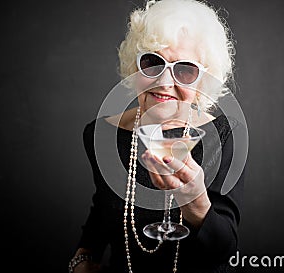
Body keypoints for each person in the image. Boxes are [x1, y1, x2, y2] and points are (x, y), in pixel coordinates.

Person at [69, 0, 246, 272]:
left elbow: (223, 249)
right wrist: (83, 255)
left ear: (202, 82)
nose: (164, 83)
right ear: (134, 67)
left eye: (185, 70)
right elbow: (103, 207)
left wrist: (195, 201)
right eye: (152, 62)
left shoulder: (222, 135)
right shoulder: (101, 134)